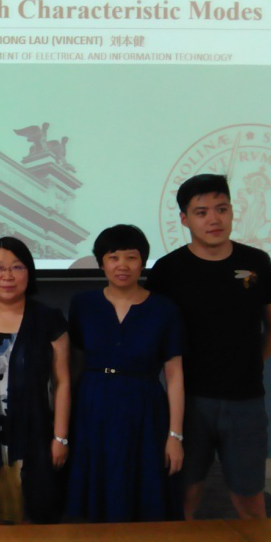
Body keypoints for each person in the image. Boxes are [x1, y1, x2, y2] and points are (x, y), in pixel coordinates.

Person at [146, 174, 271, 521]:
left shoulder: (256, 262)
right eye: (202, 212)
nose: (214, 219)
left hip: (246, 401)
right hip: (190, 403)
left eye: (222, 209)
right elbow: (156, 336)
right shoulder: (168, 270)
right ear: (184, 219)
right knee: (185, 493)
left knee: (249, 497)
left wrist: (249, 362)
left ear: (232, 212)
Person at [65, 224, 185, 522]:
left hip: (144, 407)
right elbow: (73, 365)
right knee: (95, 484)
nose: (122, 265)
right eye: (113, 257)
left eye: (131, 257)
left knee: (143, 484)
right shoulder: (83, 305)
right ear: (101, 263)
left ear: (142, 262)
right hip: (93, 405)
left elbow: (174, 376)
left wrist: (175, 435)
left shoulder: (164, 309)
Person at [0, 236, 70, 525]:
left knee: (34, 518)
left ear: (29, 273)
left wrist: (60, 437)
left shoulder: (49, 319)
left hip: (34, 436)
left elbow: (63, 382)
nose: (7, 275)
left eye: (17, 267)